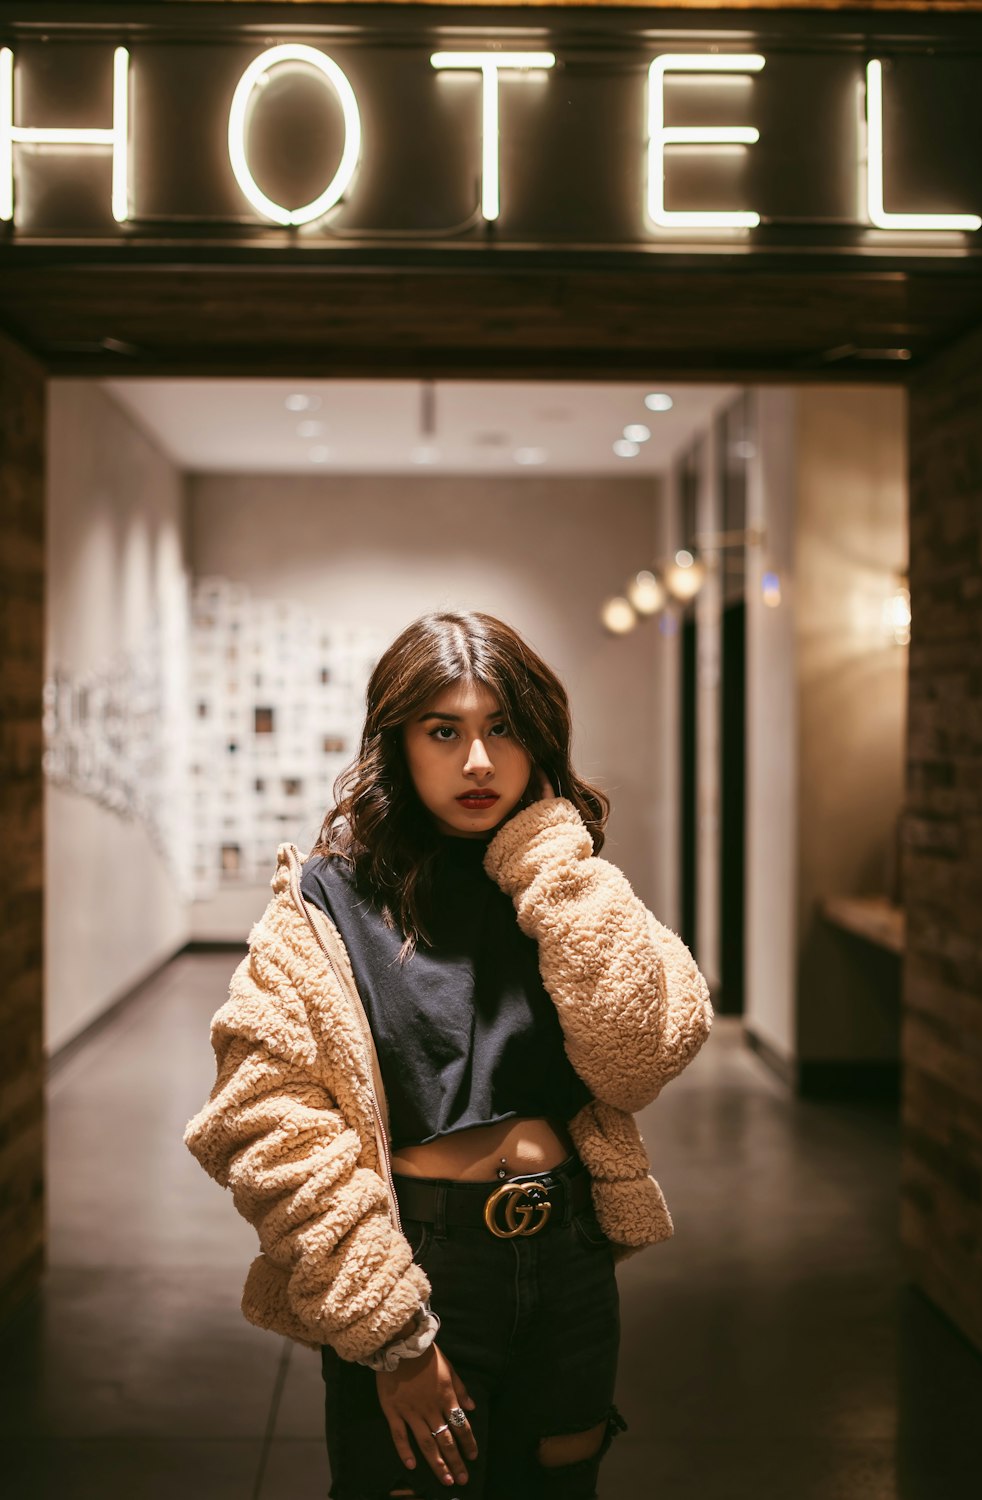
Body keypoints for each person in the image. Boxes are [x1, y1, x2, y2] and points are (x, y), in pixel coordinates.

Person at [184, 609, 714, 1500]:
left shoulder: (565, 884)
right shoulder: (327, 902)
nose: (478, 761)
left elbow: (637, 1058)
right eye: (445, 731)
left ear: (539, 739)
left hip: (568, 1257)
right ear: (400, 743)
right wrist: (390, 1329)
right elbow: (264, 1121)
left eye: (503, 728)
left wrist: (549, 856)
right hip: (419, 1260)